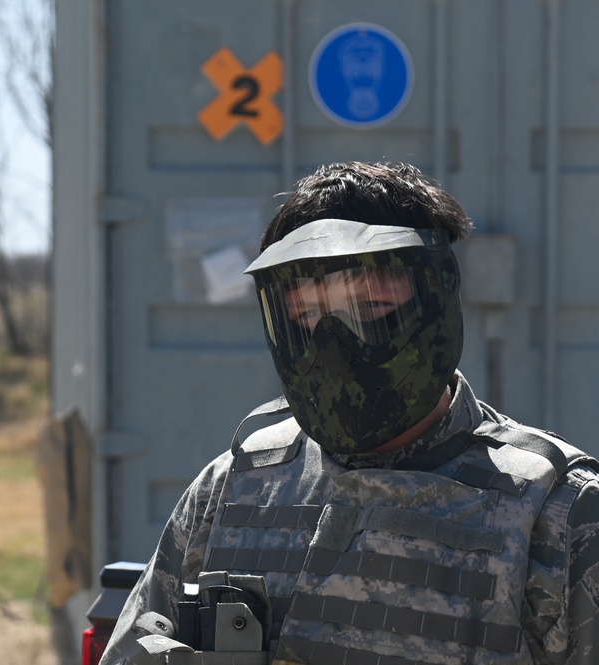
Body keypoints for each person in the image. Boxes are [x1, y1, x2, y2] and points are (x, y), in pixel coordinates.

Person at [99, 161, 599, 665]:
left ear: (436, 299)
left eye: (372, 307)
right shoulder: (231, 487)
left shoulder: (556, 512)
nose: (335, 344)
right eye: (308, 316)